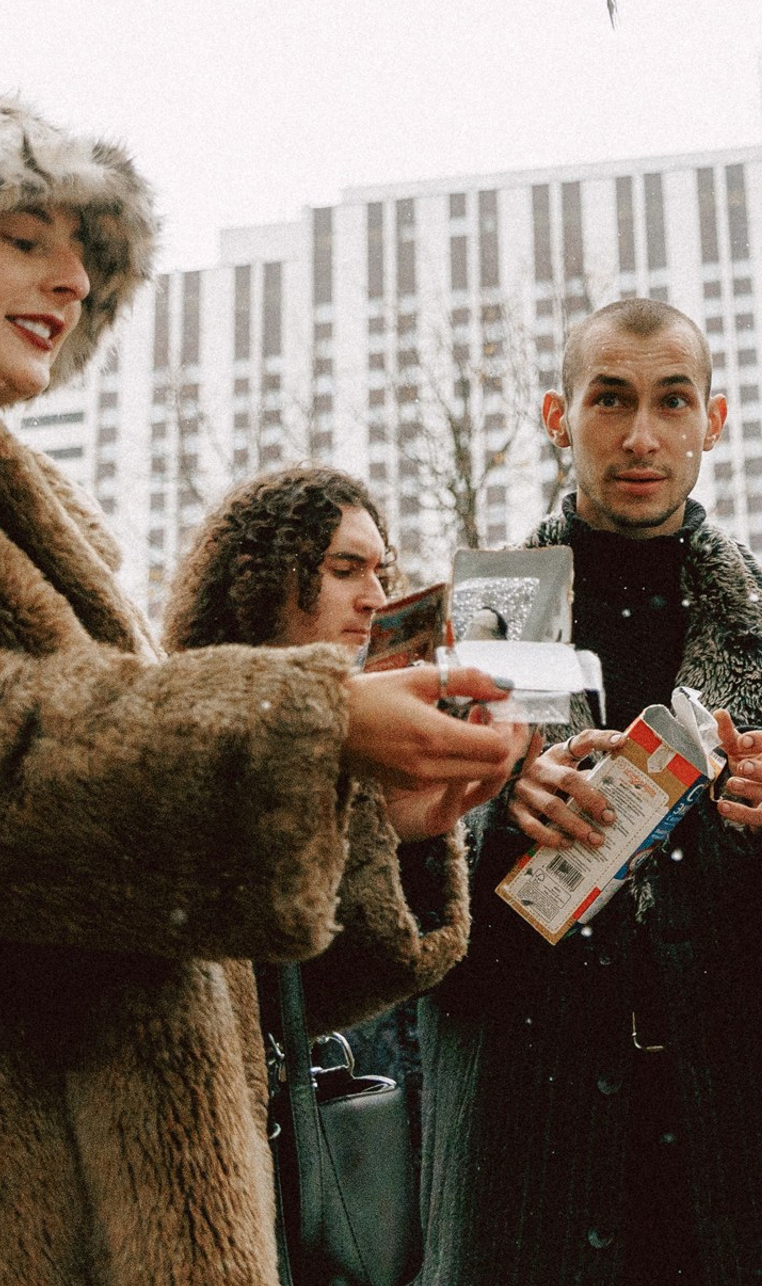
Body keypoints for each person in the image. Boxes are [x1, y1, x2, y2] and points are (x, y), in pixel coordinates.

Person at [0, 91, 524, 1286]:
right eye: (26, 237)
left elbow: (209, 975)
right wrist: (317, 724)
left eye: (91, 259)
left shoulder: (58, 532)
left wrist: (386, 827)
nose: (69, 279)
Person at [418, 293, 762, 1286]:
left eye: (671, 401)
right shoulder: (469, 633)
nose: (641, 435)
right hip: (527, 1169)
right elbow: (387, 911)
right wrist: (490, 821)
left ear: (712, 422)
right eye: (609, 399)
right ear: (559, 418)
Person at [163, 463, 482, 1212]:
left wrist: (405, 830)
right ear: (261, 582)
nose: (374, 596)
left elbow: (337, 984)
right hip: (196, 1169)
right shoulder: (176, 738)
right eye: (345, 569)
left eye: (381, 569)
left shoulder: (368, 760)